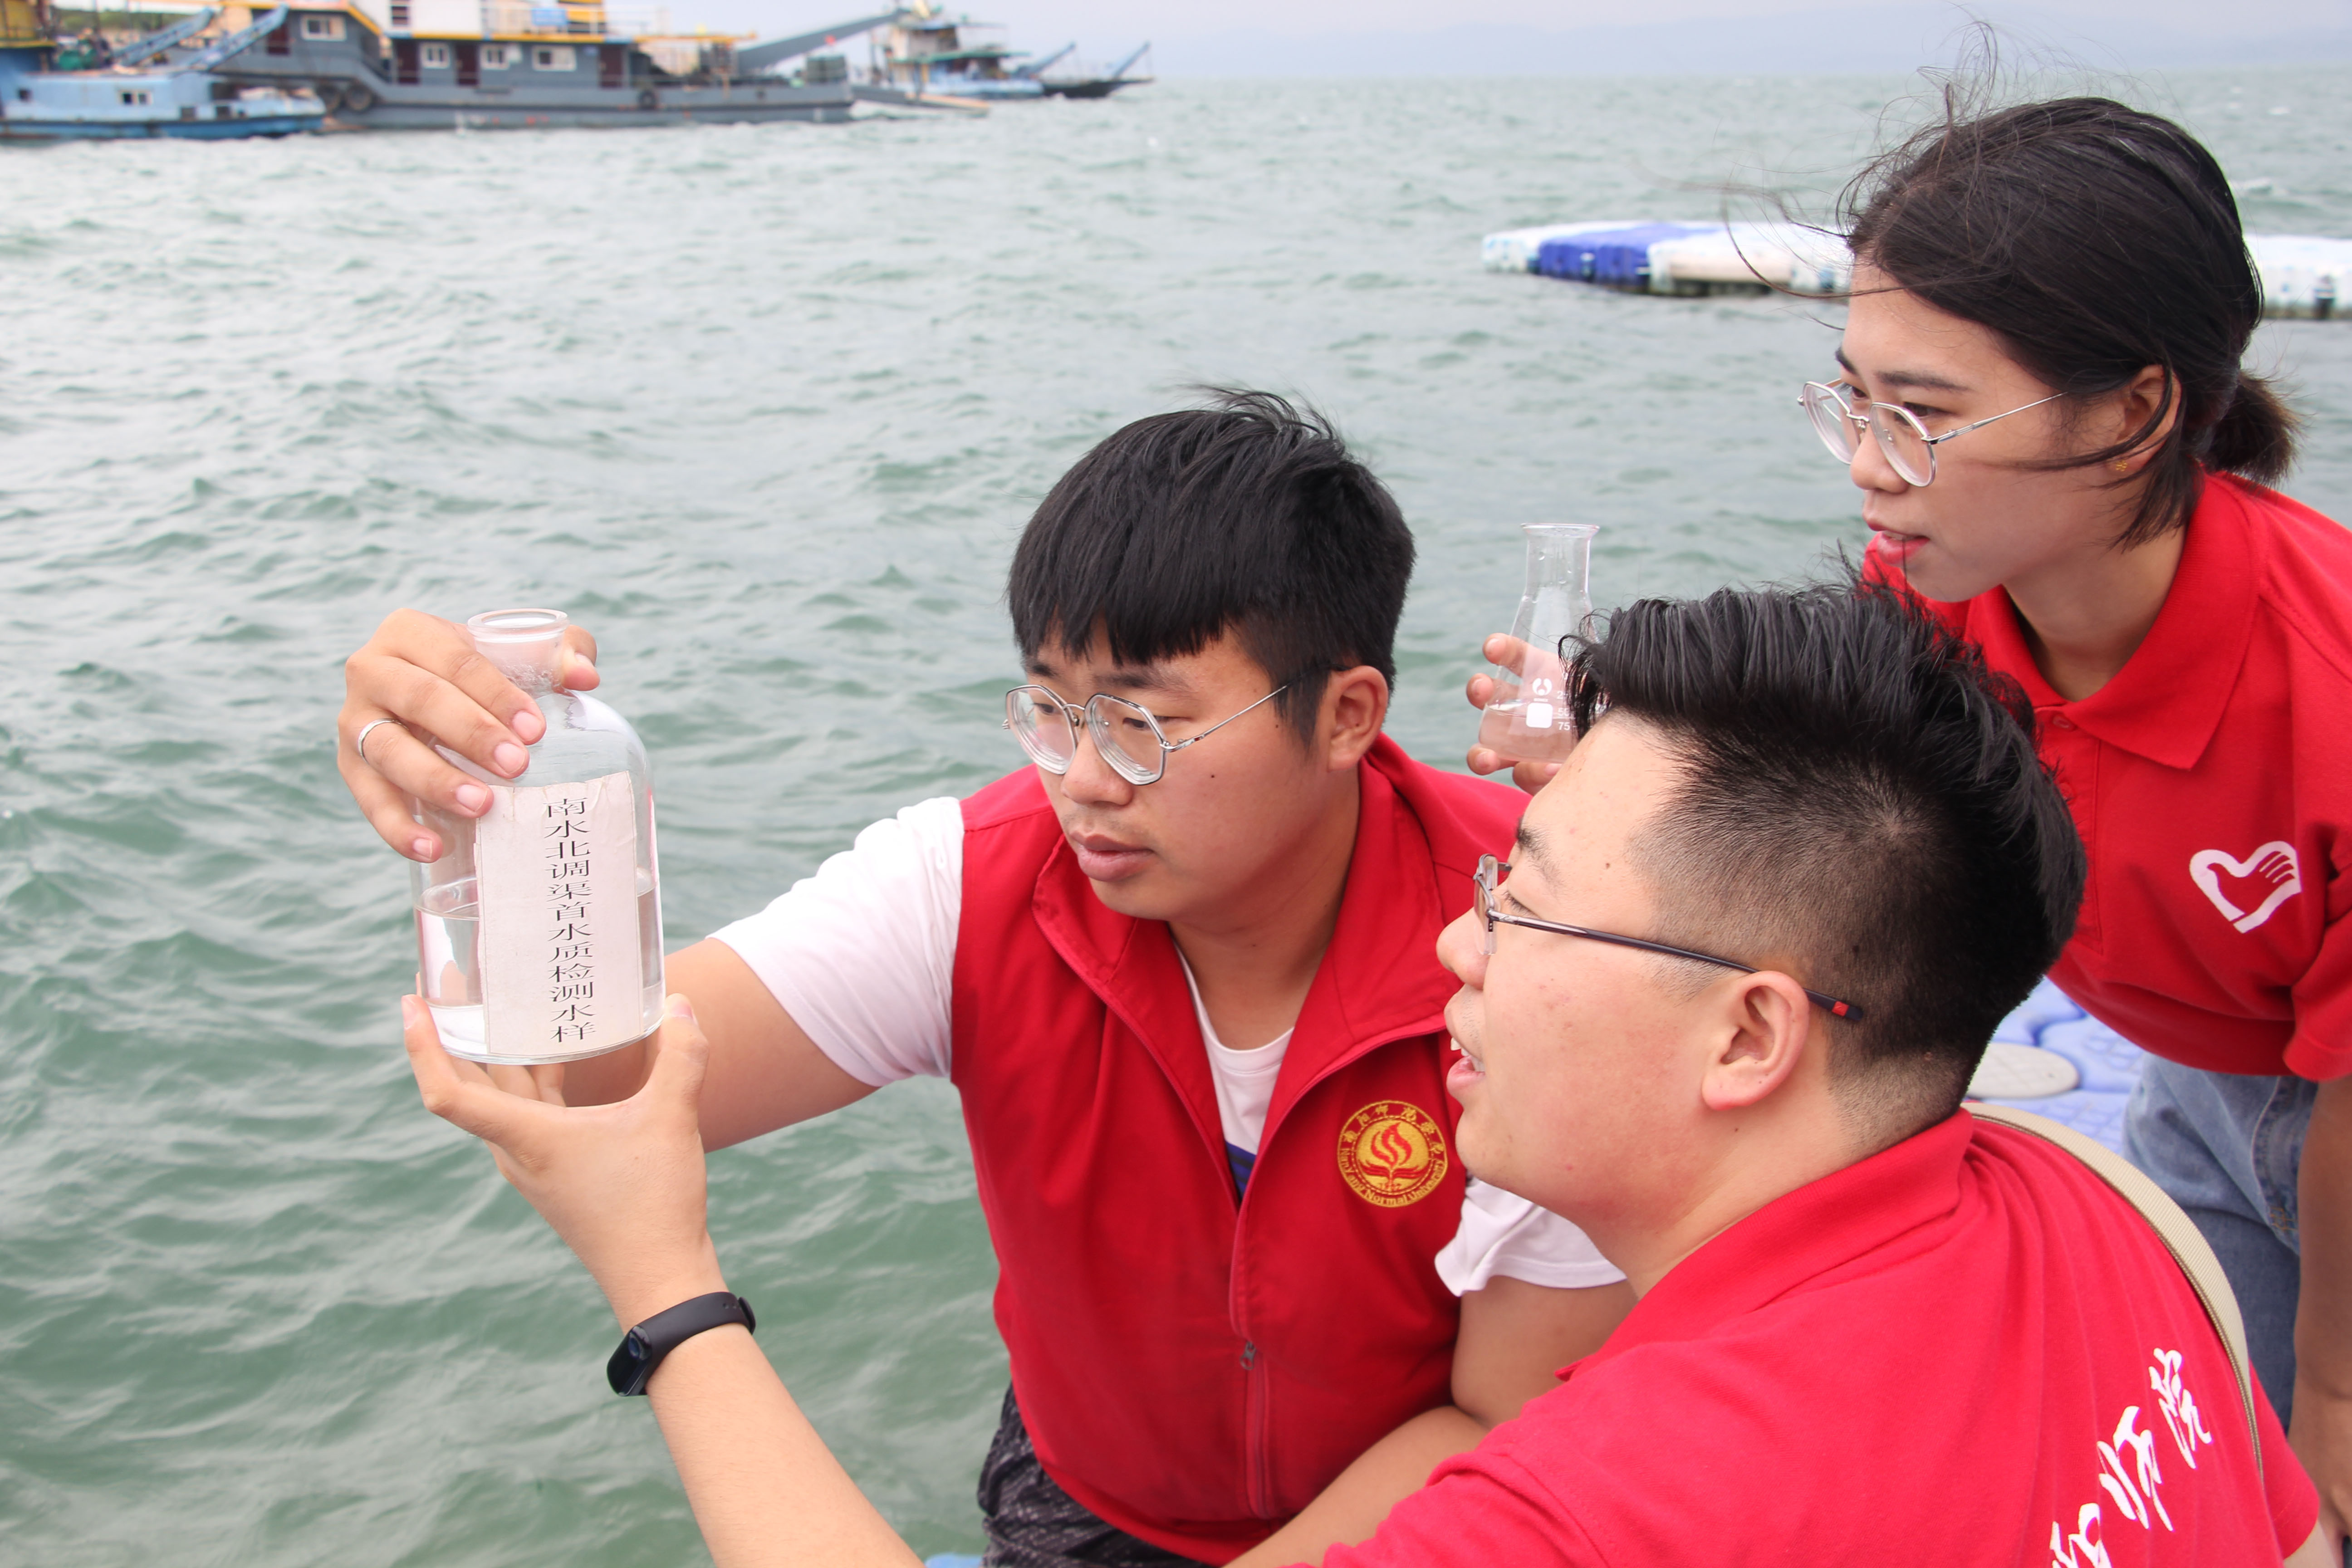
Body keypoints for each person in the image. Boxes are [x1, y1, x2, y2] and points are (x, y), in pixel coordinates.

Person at [400, 578, 2330, 1565]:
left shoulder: (1600, 1506)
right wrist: (482, 794)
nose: (1463, 944)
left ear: (1751, 1028)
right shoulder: (2107, 1220)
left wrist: (673, 1294)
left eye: (1532, 898)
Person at [337, 392, 1635, 1567]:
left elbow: (1493, 1413)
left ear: (1349, 715)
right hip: (1088, 1499)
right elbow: (594, 1082)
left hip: (1417, 1494)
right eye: (1051, 708)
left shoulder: (1530, 932)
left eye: (1143, 723)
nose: (1077, 778)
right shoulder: (970, 884)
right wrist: (490, 819)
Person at [1759, 93, 2352, 1550]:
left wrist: (2337, 1395)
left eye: (1926, 415)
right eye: (1855, 396)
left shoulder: (2325, 682)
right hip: (2200, 1087)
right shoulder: (1931, 608)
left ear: (2138, 410)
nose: (1866, 465)